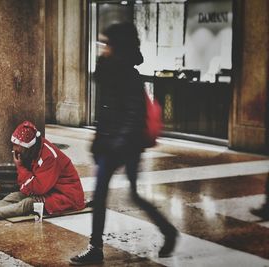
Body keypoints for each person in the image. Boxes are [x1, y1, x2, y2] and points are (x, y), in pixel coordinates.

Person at [70, 22, 178, 265]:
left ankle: (96, 248)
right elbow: (105, 112)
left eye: (106, 43)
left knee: (116, 195)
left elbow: (133, 115)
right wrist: (99, 141)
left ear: (118, 46)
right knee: (122, 195)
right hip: (112, 143)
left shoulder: (130, 76)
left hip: (124, 146)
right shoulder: (109, 71)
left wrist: (114, 144)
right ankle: (166, 232)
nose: (102, 47)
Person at [0, 120, 86, 223]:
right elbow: (26, 187)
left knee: (28, 203)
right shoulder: (32, 152)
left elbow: (38, 188)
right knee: (14, 196)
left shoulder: (49, 157)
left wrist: (20, 167)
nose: (14, 149)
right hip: (50, 190)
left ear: (28, 147)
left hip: (66, 196)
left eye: (18, 146)